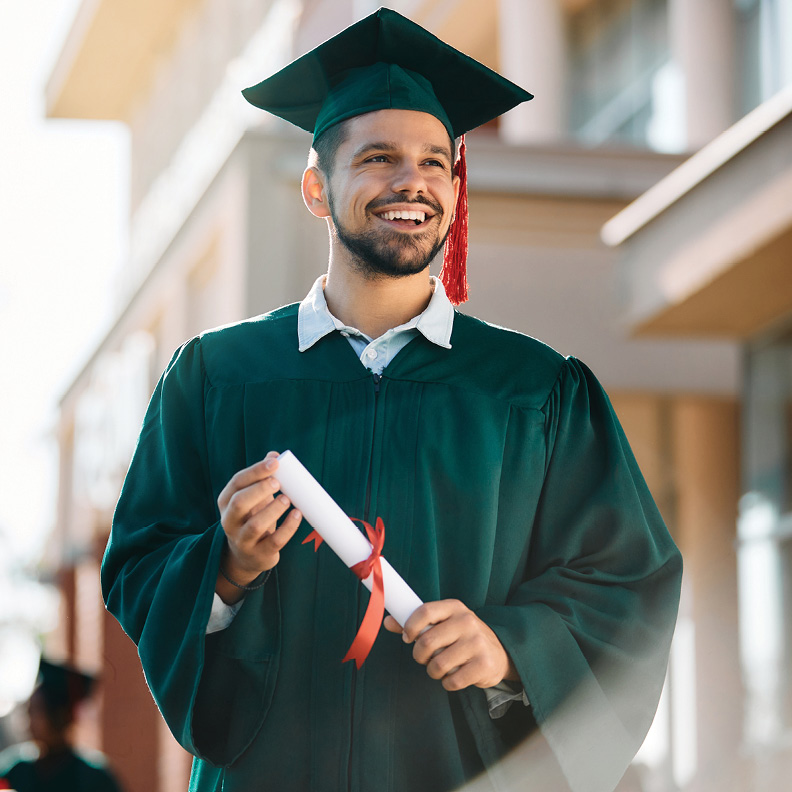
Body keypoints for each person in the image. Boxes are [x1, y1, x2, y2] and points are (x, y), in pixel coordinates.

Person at [101, 9, 682, 792]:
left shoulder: (536, 392)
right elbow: (139, 565)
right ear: (318, 187)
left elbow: (627, 585)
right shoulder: (215, 377)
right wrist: (226, 569)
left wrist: (510, 646)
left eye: (435, 163)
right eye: (377, 157)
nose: (412, 182)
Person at [0, 659, 122, 792]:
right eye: (29, 710)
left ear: (59, 716)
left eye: (36, 710)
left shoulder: (93, 779)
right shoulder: (14, 771)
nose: (28, 718)